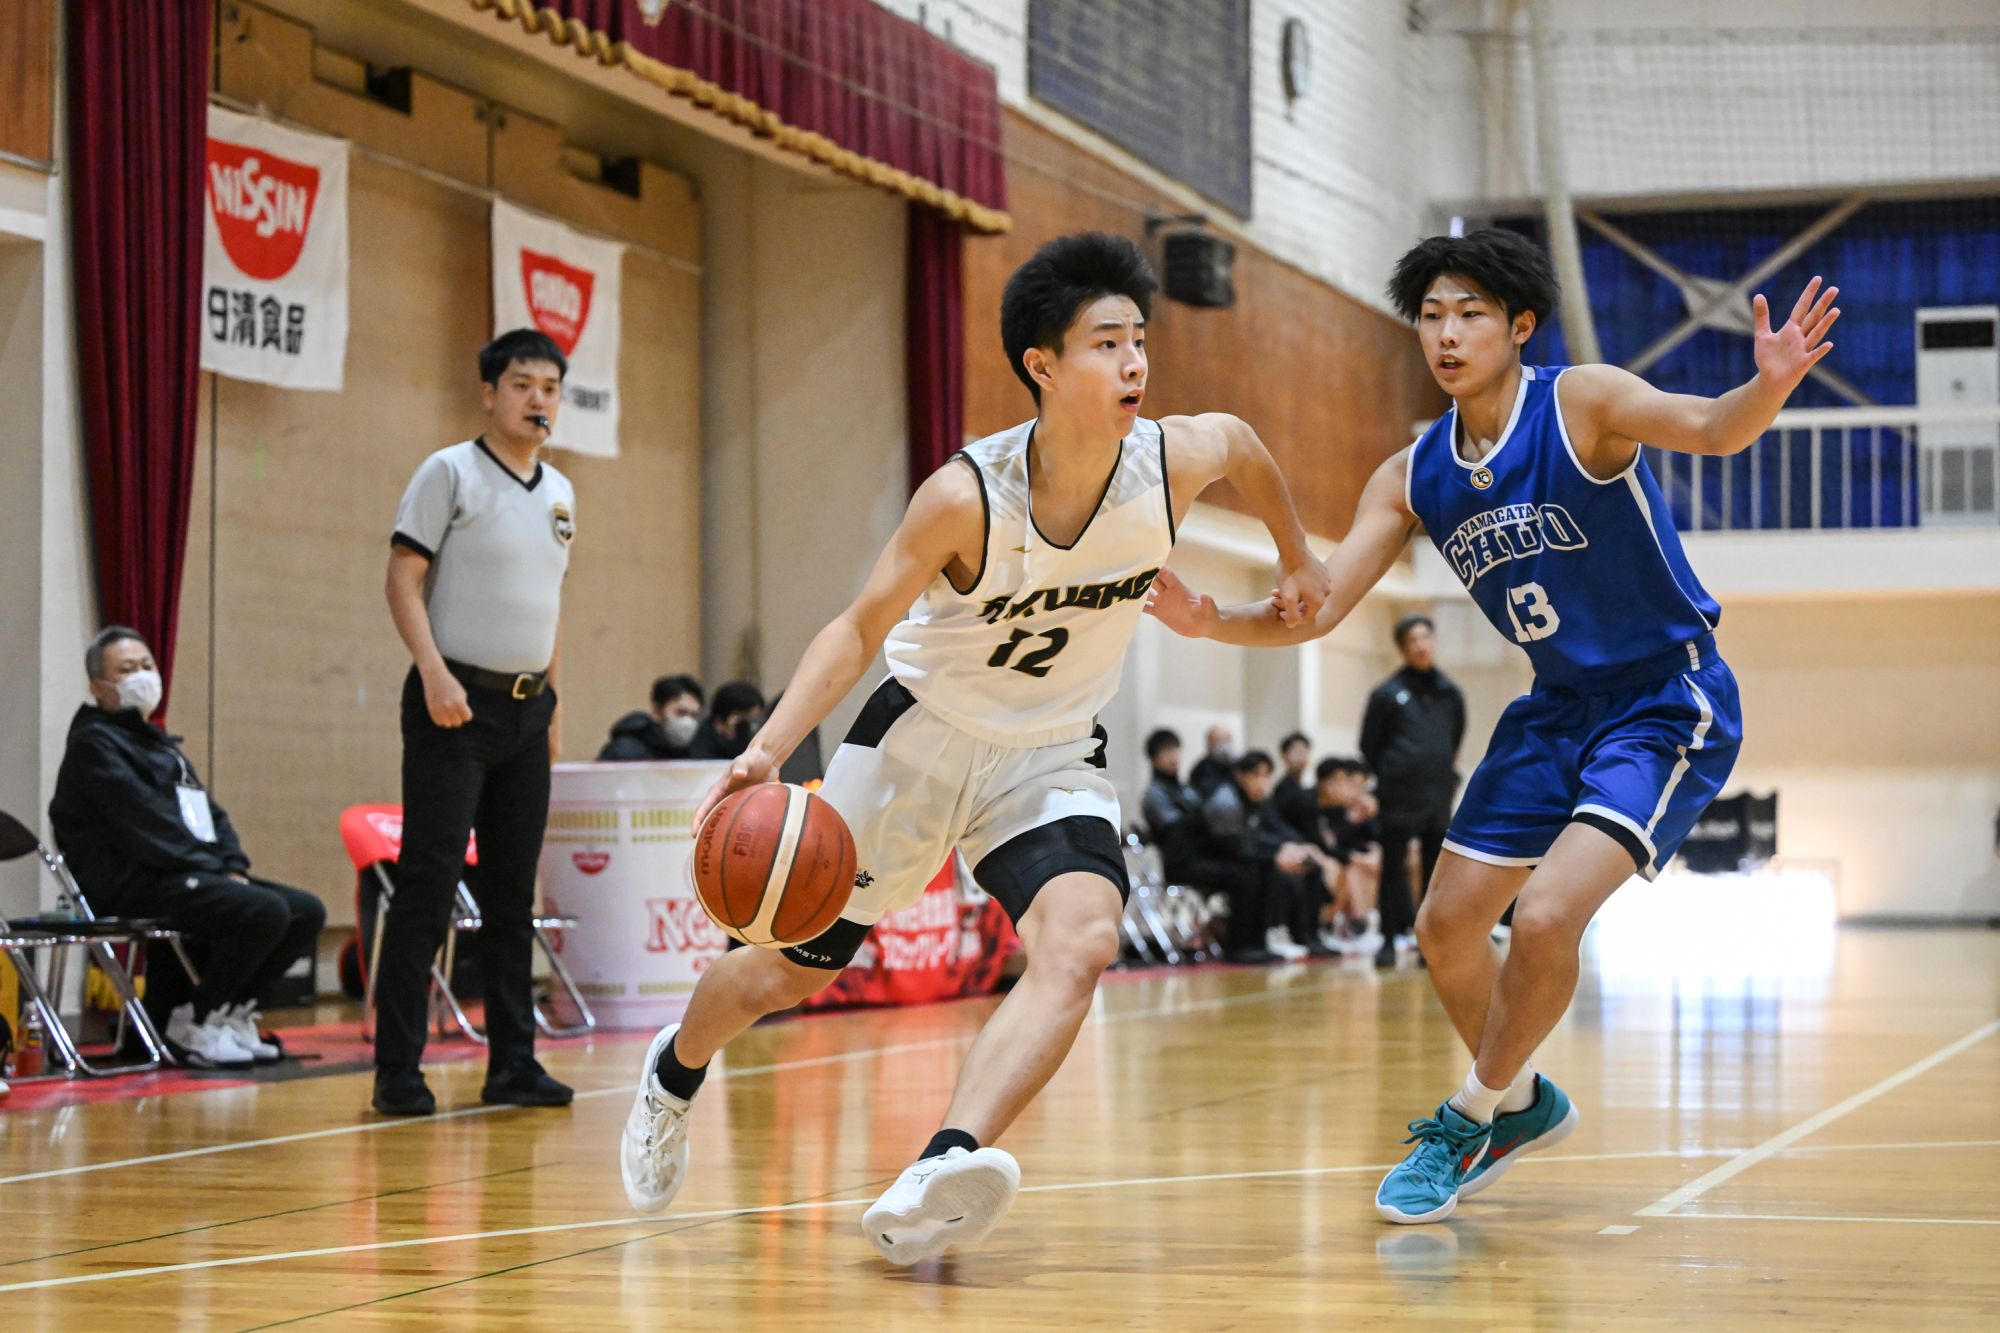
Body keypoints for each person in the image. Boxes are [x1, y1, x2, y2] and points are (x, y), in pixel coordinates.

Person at [618, 232, 1330, 1265]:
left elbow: (1243, 444)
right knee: (785, 973)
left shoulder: (1171, 461)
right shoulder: (966, 496)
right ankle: (672, 1072)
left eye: (1139, 340)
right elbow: (858, 628)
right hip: (919, 740)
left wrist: (1296, 555)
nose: (1134, 362)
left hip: (1049, 753)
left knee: (1082, 942)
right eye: (1105, 344)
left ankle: (939, 1168)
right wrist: (767, 750)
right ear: (1042, 364)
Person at [1147, 227, 1837, 1225]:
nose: (1445, 333)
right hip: (1552, 708)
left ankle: (1467, 1117)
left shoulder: (1582, 402)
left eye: (1469, 313)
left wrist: (1766, 385)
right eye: (1430, 315)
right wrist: (1212, 618)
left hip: (1661, 699)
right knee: (1443, 926)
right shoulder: (1410, 473)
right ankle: (1519, 1100)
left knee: (1547, 914)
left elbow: (1712, 426)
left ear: (1519, 325)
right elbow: (1320, 606)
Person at [375, 328, 579, 1116]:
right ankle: (398, 1070)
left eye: (550, 388)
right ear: (490, 393)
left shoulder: (562, 493)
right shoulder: (449, 471)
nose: (538, 399)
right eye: (522, 384)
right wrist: (433, 672)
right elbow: (401, 580)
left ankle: (513, 1064)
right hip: (452, 704)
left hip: (528, 714)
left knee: (511, 896)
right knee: (427, 887)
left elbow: (549, 605)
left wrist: (553, 703)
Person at [48, 626, 325, 1067]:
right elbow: (146, 826)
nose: (142, 676)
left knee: (306, 911)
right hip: (131, 880)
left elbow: (210, 814)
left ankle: (230, 1014)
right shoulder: (94, 746)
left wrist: (232, 864)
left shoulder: (159, 745)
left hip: (182, 871)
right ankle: (195, 1019)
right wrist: (213, 871)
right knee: (263, 911)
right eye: (126, 669)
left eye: (147, 665)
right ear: (98, 687)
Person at [1359, 614, 1466, 968]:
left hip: (1437, 795)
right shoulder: (1387, 693)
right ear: (1402, 648)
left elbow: (1453, 739)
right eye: (1412, 640)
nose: (1420, 645)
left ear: (1433, 642)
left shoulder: (1451, 693)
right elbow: (1369, 745)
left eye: (1425, 638)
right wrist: (1394, 774)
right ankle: (1388, 940)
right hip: (1398, 796)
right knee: (1393, 866)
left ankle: (1427, 943)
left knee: (1435, 871)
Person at [1201, 750, 1329, 961]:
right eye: (1256, 775)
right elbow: (1233, 848)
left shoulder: (1261, 801)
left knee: (1308, 866)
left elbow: (1279, 829)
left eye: (1267, 775)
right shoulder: (1225, 803)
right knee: (1253, 873)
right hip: (1207, 859)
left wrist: (1299, 847)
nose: (1262, 781)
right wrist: (1275, 857)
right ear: (1241, 776)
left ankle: (1307, 936)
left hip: (1242, 856)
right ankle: (1245, 944)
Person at [599, 675, 704, 761]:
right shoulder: (624, 751)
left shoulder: (693, 754)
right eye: (680, 713)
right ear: (656, 710)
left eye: (694, 716)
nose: (688, 722)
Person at [688, 680, 765, 761]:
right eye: (743, 722)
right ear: (719, 723)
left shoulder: (753, 748)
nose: (751, 728)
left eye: (755, 721)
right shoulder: (701, 755)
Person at [1273, 731, 1319, 838]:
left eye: (1305, 751)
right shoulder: (1283, 788)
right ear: (1284, 756)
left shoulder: (1301, 786)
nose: (1302, 756)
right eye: (1297, 752)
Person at [1187, 723, 1236, 798]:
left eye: (1227, 739)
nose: (1225, 744)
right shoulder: (1203, 769)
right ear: (1210, 744)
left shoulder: (1235, 765)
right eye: (1220, 740)